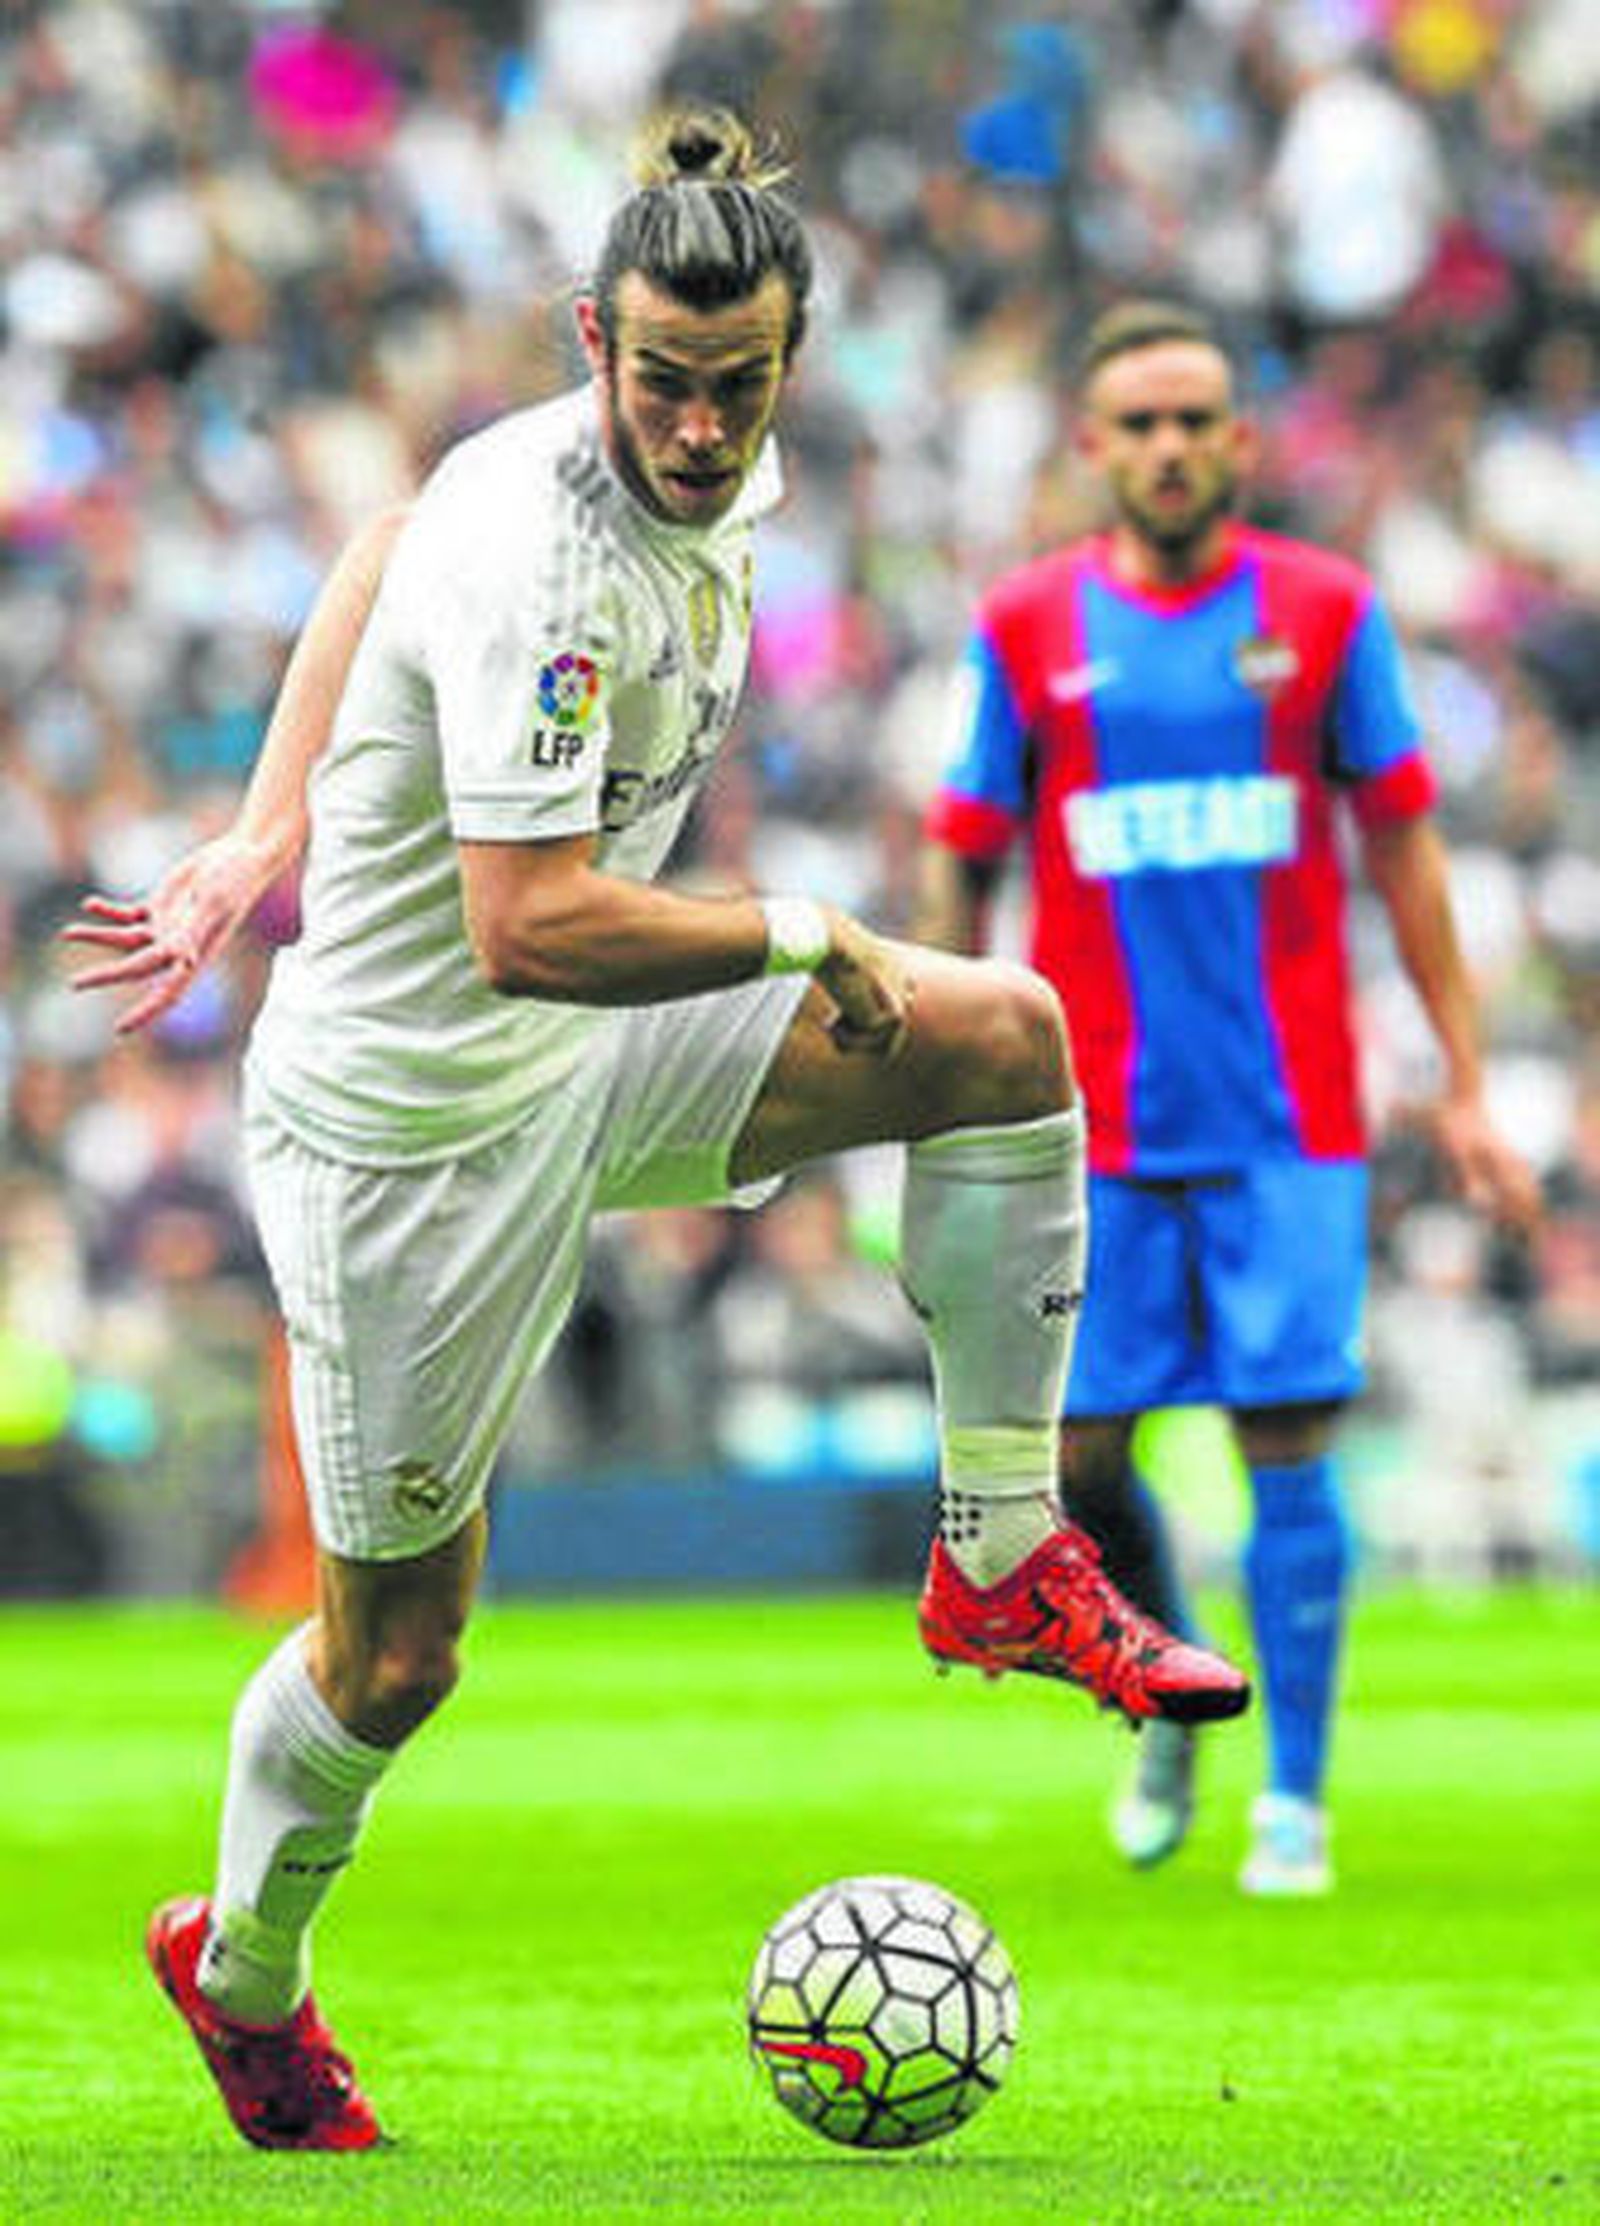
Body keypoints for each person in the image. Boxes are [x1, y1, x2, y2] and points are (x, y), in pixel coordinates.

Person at [67, 121, 1248, 2154]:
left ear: (787, 360)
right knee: (400, 1658)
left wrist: (265, 828)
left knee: (998, 1032)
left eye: (740, 385)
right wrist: (797, 926)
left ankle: (994, 1552)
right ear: (589, 338)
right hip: (416, 1132)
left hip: (593, 1047)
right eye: (664, 382)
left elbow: (369, 553)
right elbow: (524, 929)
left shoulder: (673, 448)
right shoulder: (540, 536)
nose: (700, 428)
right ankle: (242, 1972)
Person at [919, 297, 1538, 1899]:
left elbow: (1401, 839)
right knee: (1086, 1450)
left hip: (1287, 1111)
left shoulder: (1326, 613)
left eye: (1197, 418)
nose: (1172, 446)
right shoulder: (1028, 625)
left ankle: (1300, 1805)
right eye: (1142, 422)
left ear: (1241, 440)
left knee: (1287, 1432)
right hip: (1091, 1125)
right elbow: (967, 851)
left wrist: (1464, 1079)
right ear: (1094, 444)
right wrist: (937, 1065)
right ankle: (1180, 1680)